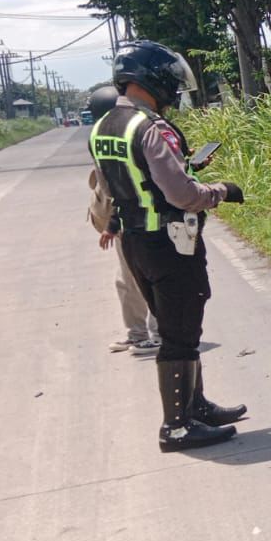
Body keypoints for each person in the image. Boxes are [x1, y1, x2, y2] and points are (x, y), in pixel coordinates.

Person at [89, 40, 248, 451]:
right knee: (179, 333)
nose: (174, 91)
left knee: (179, 326)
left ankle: (196, 407)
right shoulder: (150, 127)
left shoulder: (104, 126)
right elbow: (181, 194)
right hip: (169, 242)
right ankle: (177, 426)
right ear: (152, 79)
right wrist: (221, 190)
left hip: (136, 242)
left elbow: (118, 186)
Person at [86, 85, 161, 355]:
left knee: (148, 280)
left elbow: (124, 191)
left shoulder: (132, 138)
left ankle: (157, 334)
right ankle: (138, 333)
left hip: (139, 223)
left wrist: (113, 224)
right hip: (123, 225)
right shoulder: (106, 139)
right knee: (127, 281)